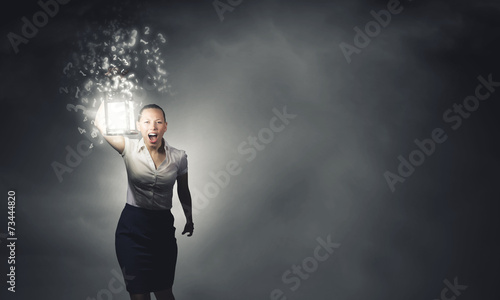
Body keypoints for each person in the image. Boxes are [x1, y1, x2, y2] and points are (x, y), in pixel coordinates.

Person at [94, 101, 194, 300]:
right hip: (132, 231)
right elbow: (99, 123)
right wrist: (110, 90)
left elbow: (183, 191)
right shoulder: (127, 148)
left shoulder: (179, 157)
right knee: (139, 295)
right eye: (147, 122)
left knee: (164, 292)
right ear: (138, 125)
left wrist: (189, 219)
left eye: (158, 122)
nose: (153, 127)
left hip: (162, 231)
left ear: (165, 126)